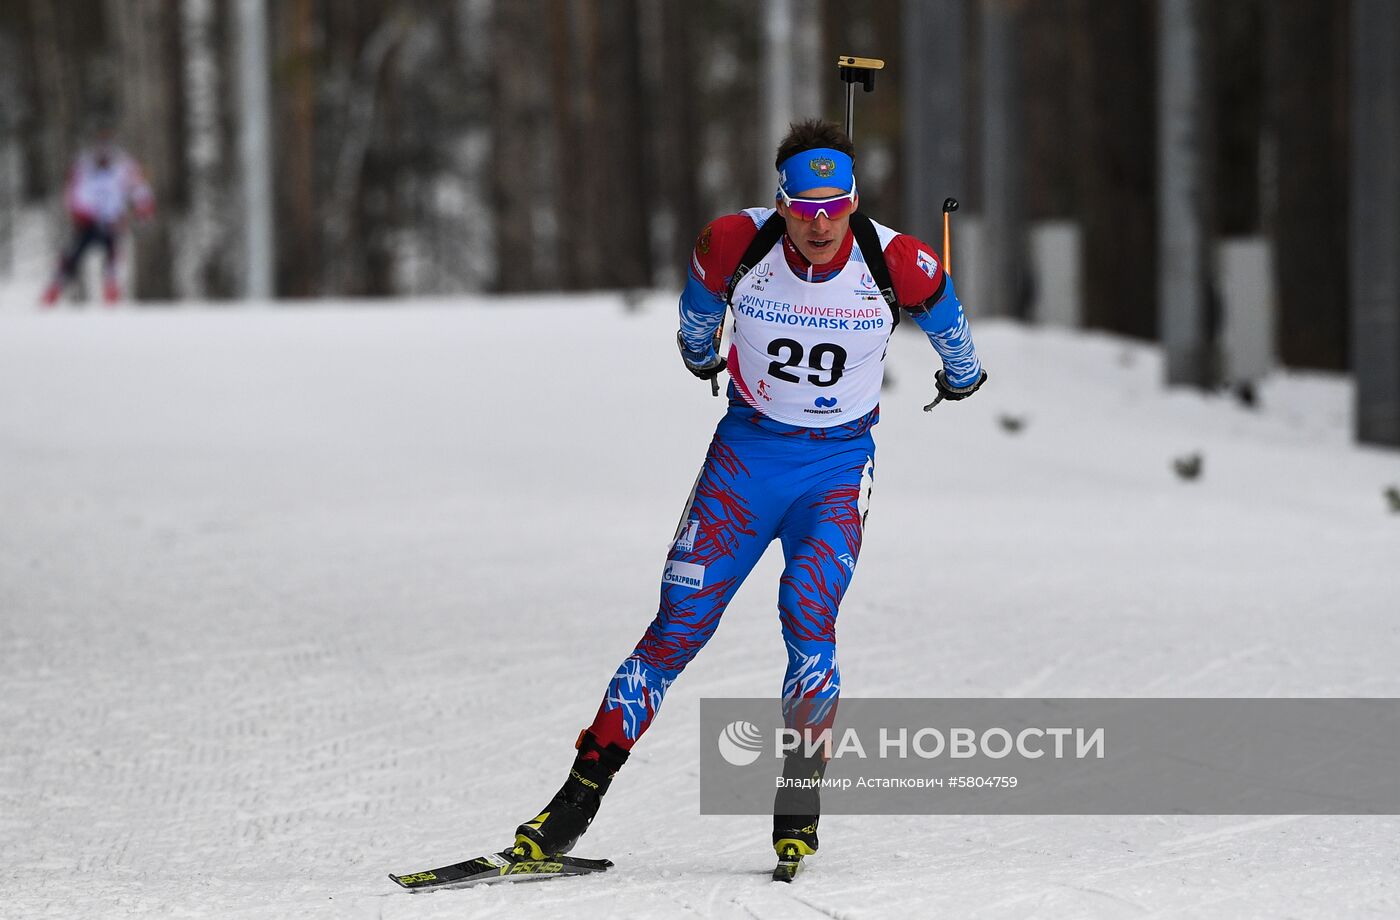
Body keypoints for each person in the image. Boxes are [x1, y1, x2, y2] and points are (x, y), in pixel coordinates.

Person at [514, 119, 986, 868]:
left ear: (855, 201)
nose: (822, 225)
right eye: (805, 209)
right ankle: (573, 803)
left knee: (808, 614)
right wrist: (700, 354)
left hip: (834, 472)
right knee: (676, 627)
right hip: (744, 463)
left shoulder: (901, 260)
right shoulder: (736, 242)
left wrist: (960, 377)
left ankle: (799, 802)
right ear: (781, 203)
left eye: (836, 207)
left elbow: (958, 338)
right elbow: (695, 325)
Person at [41, 134, 155, 306]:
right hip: (87, 223)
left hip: (112, 223)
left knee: (114, 259)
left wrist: (143, 211)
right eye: (100, 153)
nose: (103, 157)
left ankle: (112, 296)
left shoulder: (124, 166)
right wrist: (82, 215)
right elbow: (73, 195)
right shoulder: (83, 168)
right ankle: (52, 294)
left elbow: (140, 189)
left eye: (107, 153)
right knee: (70, 258)